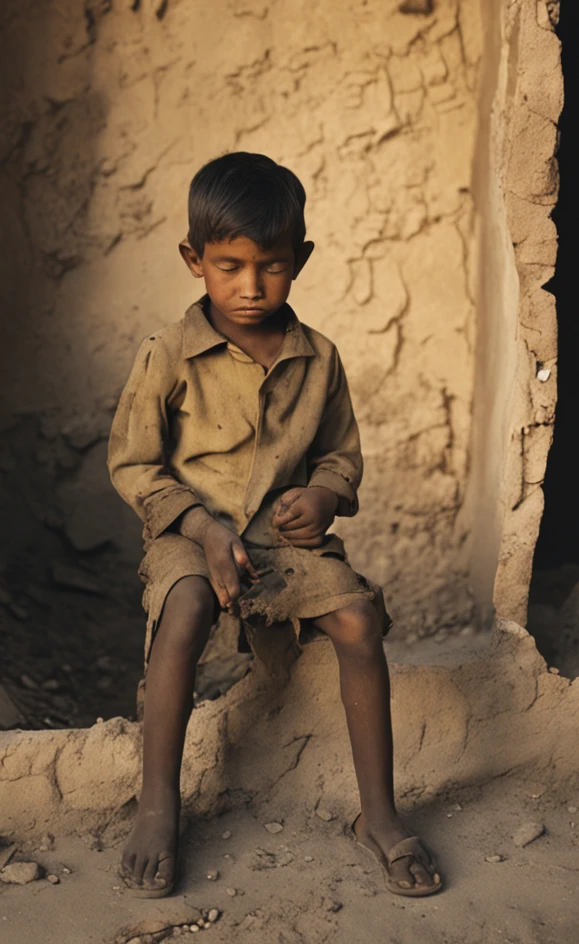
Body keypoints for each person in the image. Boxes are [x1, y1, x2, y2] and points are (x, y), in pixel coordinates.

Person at [108, 151, 443, 899]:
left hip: (288, 547)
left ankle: (380, 814)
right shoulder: (167, 355)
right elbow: (134, 466)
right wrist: (198, 526)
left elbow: (340, 456)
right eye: (229, 266)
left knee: (358, 620)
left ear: (302, 260)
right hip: (188, 538)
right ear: (195, 260)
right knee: (188, 604)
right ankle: (160, 806)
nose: (251, 287)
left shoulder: (319, 360)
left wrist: (324, 496)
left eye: (272, 267)